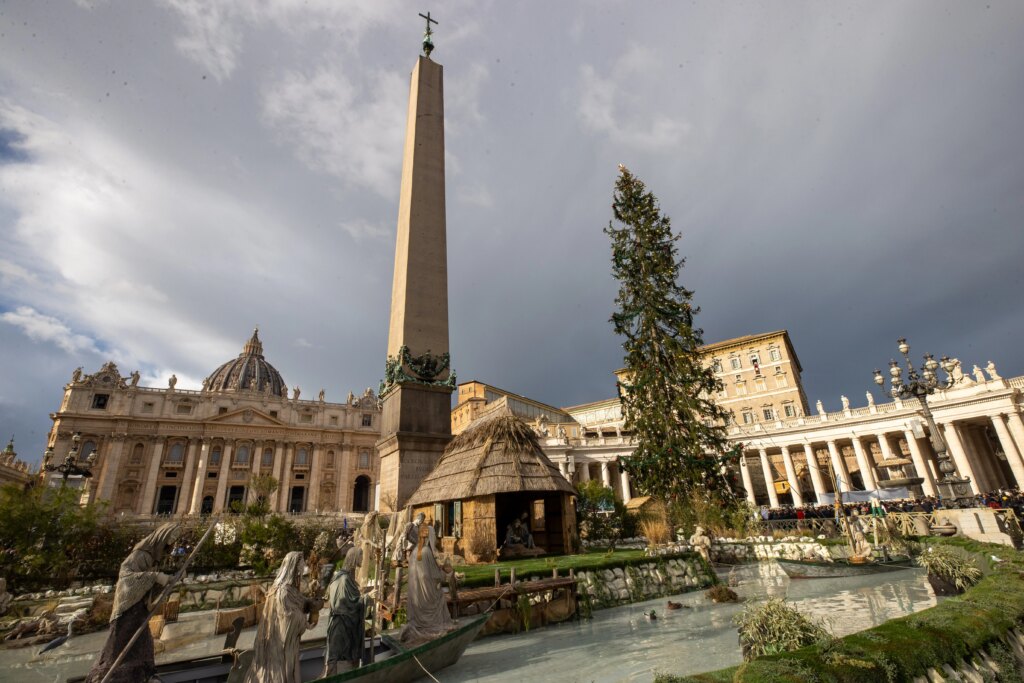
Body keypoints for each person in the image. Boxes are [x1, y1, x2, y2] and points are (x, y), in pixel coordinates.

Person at [84, 522, 181, 683]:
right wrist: (156, 577)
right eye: (171, 539)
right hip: (127, 607)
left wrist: (171, 579)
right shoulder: (141, 554)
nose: (172, 544)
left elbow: (150, 583)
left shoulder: (153, 557)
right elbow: (127, 577)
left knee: (142, 643)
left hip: (138, 609)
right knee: (120, 642)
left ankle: (141, 674)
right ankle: (111, 675)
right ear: (162, 537)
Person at [245, 552, 319, 683]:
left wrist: (312, 601)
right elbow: (288, 618)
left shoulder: (290, 590)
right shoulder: (283, 591)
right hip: (278, 645)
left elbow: (300, 602)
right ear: (294, 567)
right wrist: (306, 622)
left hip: (285, 646)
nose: (303, 568)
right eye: (301, 565)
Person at [400, 517, 454, 645]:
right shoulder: (426, 552)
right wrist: (448, 571)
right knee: (440, 596)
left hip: (416, 597)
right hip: (426, 597)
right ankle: (435, 625)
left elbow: (426, 572)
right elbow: (435, 576)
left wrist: (438, 568)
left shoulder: (415, 552)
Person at [322, 547, 370, 677]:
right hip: (342, 628)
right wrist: (365, 599)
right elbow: (348, 605)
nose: (362, 559)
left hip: (342, 626)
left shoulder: (343, 576)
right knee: (340, 660)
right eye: (360, 557)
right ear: (354, 559)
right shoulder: (344, 580)